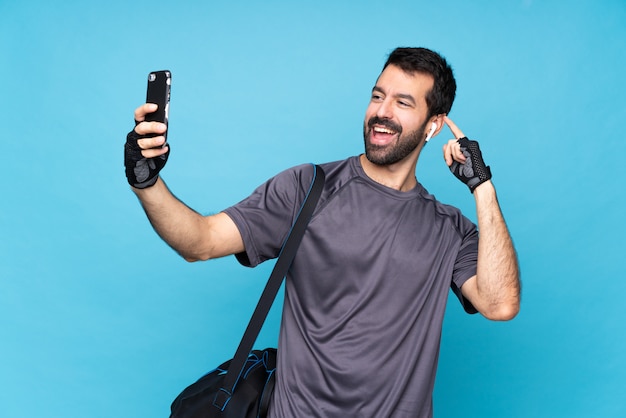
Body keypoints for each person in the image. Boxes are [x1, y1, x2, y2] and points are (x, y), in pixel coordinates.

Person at [125, 47, 520, 418]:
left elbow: (500, 304)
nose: (381, 112)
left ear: (434, 124)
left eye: (402, 103)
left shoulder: (449, 228)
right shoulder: (308, 188)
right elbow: (200, 241)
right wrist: (147, 182)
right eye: (377, 96)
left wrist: (482, 185)